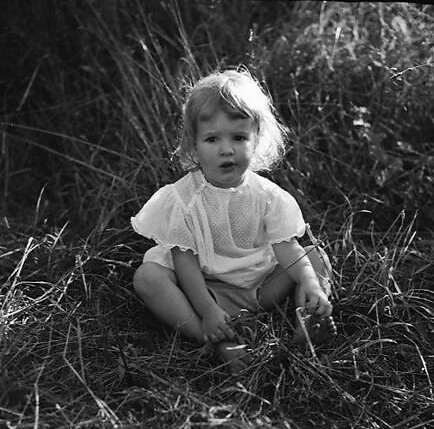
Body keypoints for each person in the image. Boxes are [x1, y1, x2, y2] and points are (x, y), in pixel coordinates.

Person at [131, 68, 336, 371]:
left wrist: (310, 284)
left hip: (259, 286)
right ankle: (210, 336)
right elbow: (184, 261)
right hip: (204, 288)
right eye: (212, 139)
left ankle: (306, 318)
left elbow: (286, 248)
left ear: (256, 140)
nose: (226, 150)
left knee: (311, 257)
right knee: (148, 277)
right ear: (194, 145)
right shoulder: (183, 198)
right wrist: (208, 309)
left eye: (239, 137)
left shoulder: (268, 196)